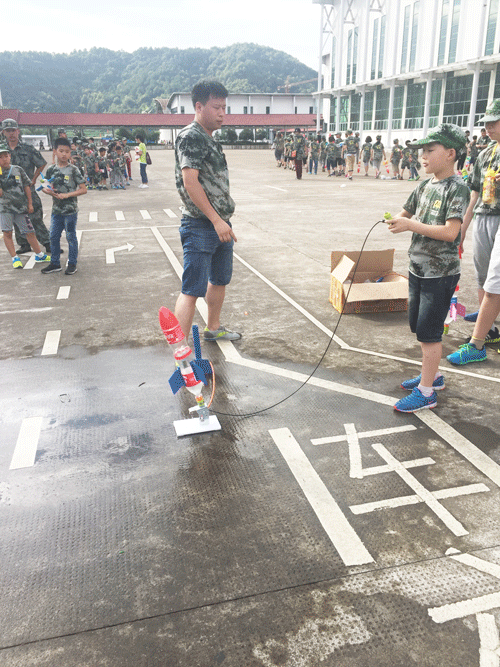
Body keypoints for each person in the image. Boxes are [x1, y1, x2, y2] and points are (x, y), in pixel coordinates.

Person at [386, 124, 470, 412]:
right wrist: (395, 219)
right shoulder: (424, 185)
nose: (422, 156)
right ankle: (431, 376)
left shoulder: (457, 188)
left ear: (450, 153)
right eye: (421, 151)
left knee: (429, 333)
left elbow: (450, 232)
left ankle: (426, 392)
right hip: (418, 268)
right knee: (419, 326)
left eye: (429, 150)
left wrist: (409, 225)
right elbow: (406, 212)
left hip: (440, 273)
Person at [174, 80, 241, 343]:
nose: (222, 113)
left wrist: (221, 221)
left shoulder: (209, 138)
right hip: (200, 224)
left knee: (220, 279)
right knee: (192, 289)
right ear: (199, 107)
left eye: (224, 107)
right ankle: (180, 349)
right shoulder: (191, 136)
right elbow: (190, 182)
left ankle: (213, 328)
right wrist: (215, 220)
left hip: (220, 223)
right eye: (216, 107)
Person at [447, 100, 500, 364]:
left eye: (494, 121)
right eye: (486, 122)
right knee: (483, 276)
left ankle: (477, 344)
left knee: (495, 281)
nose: (488, 127)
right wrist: (462, 228)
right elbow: (475, 193)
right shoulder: (486, 153)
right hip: (484, 216)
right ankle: (488, 328)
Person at [1, 118, 51, 255]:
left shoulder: (27, 149)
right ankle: (24, 244)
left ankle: (47, 243)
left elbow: (41, 163)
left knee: (36, 217)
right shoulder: (2, 150)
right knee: (16, 219)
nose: (11, 133)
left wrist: (33, 179)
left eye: (13, 130)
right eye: (8, 131)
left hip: (28, 190)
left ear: (18, 131)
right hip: (8, 193)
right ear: (3, 132)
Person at [41, 138, 87, 275]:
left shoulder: (73, 170)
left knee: (71, 237)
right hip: (56, 210)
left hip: (70, 210)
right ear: (55, 151)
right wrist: (49, 191)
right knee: (53, 237)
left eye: (67, 151)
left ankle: (72, 263)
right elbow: (44, 186)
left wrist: (67, 195)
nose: (64, 154)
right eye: (61, 151)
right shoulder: (51, 169)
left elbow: (83, 189)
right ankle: (55, 263)